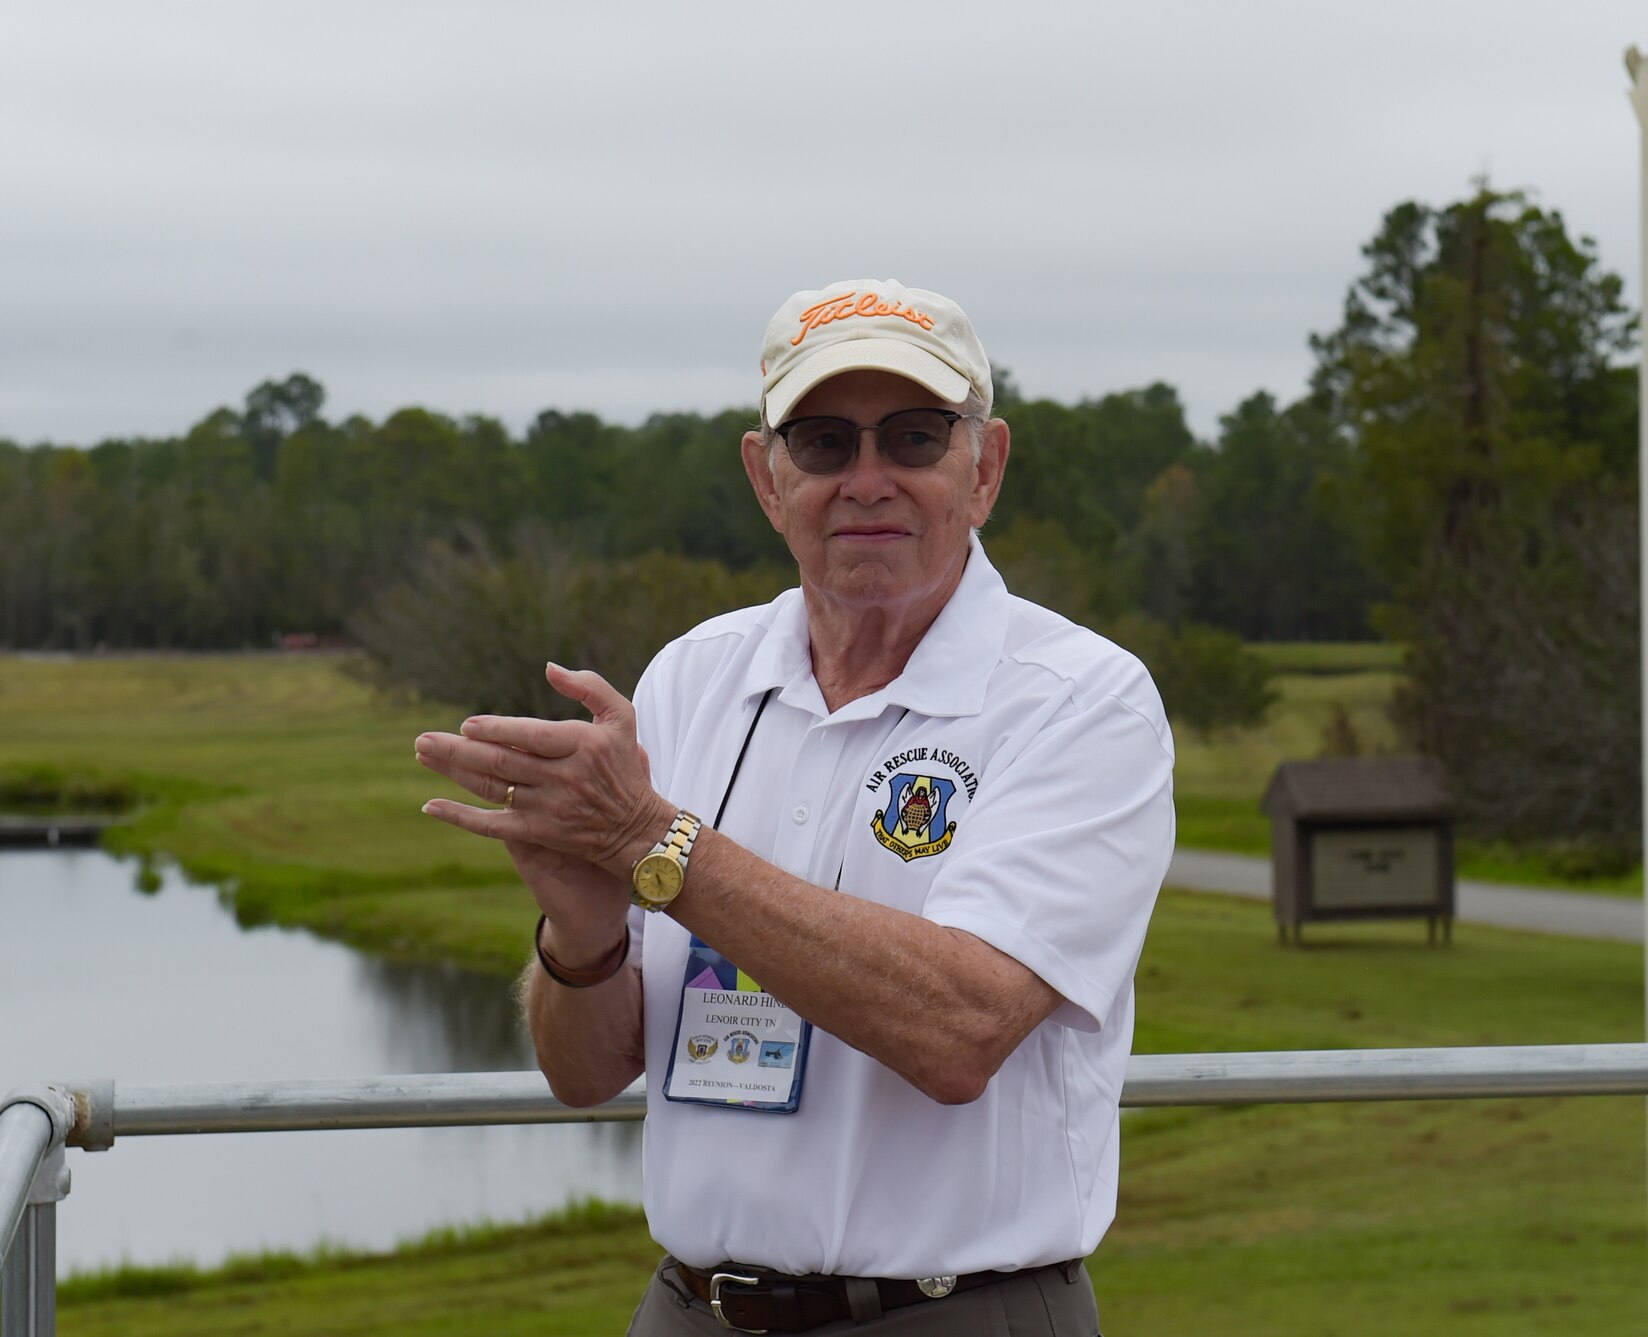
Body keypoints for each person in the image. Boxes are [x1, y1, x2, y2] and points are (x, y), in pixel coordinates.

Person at [415, 278, 1173, 1334]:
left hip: (954, 1311)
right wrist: (580, 932)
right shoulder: (692, 675)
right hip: (690, 1304)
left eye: (912, 437)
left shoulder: (1081, 699)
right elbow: (582, 1072)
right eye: (821, 443)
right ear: (765, 477)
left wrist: (649, 840)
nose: (868, 480)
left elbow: (959, 1029)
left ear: (983, 465)